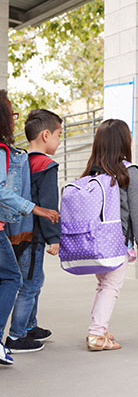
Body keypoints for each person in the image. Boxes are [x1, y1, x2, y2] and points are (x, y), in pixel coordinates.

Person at [0, 91, 59, 364]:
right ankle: (16, 334)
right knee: (25, 281)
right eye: (59, 135)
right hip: (31, 235)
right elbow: (48, 205)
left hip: (14, 232)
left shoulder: (22, 159)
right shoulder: (44, 164)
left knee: (27, 280)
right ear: (46, 135)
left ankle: (28, 326)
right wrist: (53, 237)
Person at [81, 119, 138, 351]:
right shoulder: (129, 172)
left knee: (103, 285)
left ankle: (99, 328)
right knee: (111, 286)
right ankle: (97, 335)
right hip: (115, 240)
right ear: (124, 142)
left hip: (93, 240)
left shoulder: (91, 172)